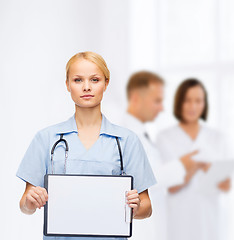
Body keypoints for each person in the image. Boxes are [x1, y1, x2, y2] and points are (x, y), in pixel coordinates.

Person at [16, 51, 156, 240]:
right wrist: (31, 202)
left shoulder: (127, 141)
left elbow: (146, 207)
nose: (87, 87)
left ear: (106, 83)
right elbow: (25, 204)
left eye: (95, 80)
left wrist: (136, 206)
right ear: (67, 85)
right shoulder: (46, 139)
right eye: (78, 80)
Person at [120, 71, 207, 240]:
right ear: (137, 99)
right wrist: (185, 163)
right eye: (157, 101)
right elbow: (150, 177)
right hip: (140, 229)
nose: (162, 108)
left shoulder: (141, 132)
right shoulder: (125, 134)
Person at [156, 78, 234, 240]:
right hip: (179, 218)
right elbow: (171, 186)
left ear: (204, 104)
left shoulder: (217, 138)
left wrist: (219, 178)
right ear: (179, 103)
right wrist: (197, 166)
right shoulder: (165, 138)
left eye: (198, 101)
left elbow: (226, 185)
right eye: (187, 101)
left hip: (210, 216)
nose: (193, 106)